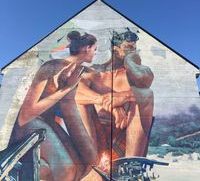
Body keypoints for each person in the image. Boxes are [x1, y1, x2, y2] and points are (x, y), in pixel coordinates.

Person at [12, 31, 97, 181]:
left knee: (79, 167)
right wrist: (66, 89)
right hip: (29, 124)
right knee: (67, 170)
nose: (95, 53)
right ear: (86, 48)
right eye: (95, 49)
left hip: (46, 124)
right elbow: (25, 116)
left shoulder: (76, 71)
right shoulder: (51, 66)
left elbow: (70, 112)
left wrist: (90, 157)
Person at [73, 28, 154, 179]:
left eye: (134, 48)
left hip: (126, 133)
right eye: (128, 48)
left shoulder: (135, 72)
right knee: (80, 99)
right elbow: (77, 91)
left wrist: (123, 96)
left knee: (145, 94)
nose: (133, 52)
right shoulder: (95, 71)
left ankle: (130, 168)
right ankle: (93, 164)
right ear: (115, 49)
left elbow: (146, 85)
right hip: (95, 136)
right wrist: (107, 102)